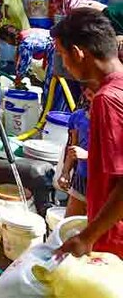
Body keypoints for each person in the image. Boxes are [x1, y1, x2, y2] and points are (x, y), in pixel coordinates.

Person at [55, 9, 123, 264]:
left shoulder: (107, 100)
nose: (64, 64)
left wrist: (87, 237)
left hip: (113, 240)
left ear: (78, 52)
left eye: (63, 55)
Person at [58, 88, 94, 217]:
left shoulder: (114, 119)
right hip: (81, 179)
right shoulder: (77, 117)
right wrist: (65, 172)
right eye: (86, 87)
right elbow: (73, 147)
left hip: (103, 182)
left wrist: (88, 155)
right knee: (70, 222)